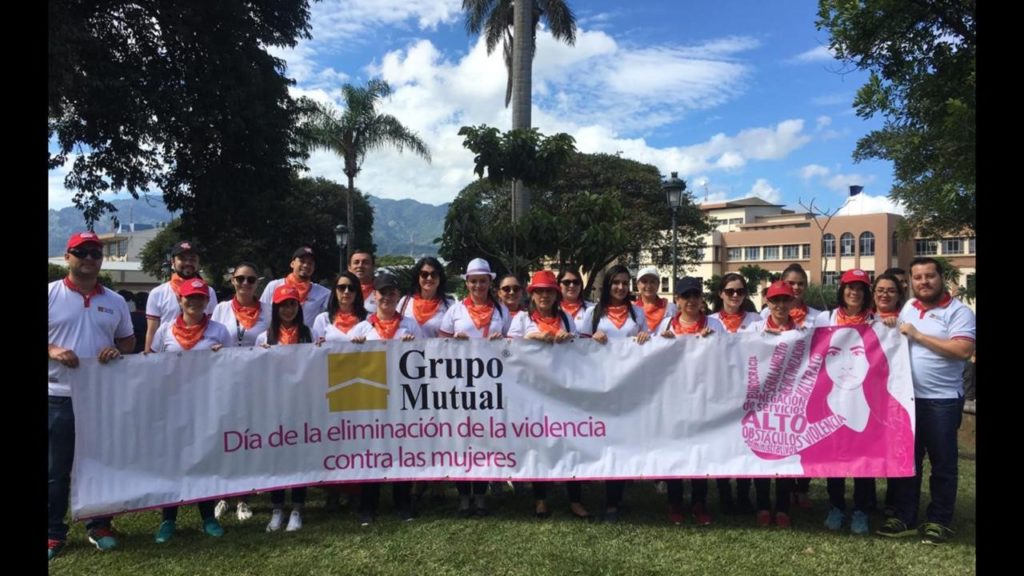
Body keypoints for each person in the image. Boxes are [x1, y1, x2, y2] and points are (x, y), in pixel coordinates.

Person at [48, 232, 136, 561]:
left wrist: (115, 350)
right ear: (67, 256)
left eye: (95, 253)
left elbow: (127, 341)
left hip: (100, 398)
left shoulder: (114, 301)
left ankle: (99, 525)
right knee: (56, 470)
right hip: (58, 395)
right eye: (81, 252)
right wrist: (52, 349)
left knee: (99, 466)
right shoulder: (51, 294)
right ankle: (53, 532)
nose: (89, 258)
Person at [878, 257, 976, 545]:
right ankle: (905, 516)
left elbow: (962, 350)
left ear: (941, 277)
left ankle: (939, 520)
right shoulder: (909, 306)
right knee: (909, 461)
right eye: (918, 277)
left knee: (943, 463)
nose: (924, 282)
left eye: (929, 276)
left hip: (942, 401)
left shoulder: (959, 312)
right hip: (908, 400)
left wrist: (918, 335)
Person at [149, 278, 233, 543]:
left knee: (203, 460)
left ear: (207, 301)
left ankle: (208, 516)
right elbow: (151, 365)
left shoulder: (219, 331)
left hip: (206, 405)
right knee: (172, 463)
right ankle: (168, 519)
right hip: (172, 406)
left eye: (200, 297)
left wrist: (222, 356)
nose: (195, 302)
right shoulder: (165, 330)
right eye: (189, 297)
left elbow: (234, 366)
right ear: (180, 300)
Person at [507, 270, 590, 520]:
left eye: (549, 292)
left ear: (556, 295)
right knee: (539, 445)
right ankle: (540, 499)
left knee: (570, 443)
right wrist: (531, 337)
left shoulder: (566, 318)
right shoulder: (522, 320)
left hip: (563, 391)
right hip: (532, 391)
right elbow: (508, 351)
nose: (544, 296)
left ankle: (575, 499)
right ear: (532, 295)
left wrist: (568, 338)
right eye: (539, 291)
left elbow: (579, 350)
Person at [579, 264, 650, 522]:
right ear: (607, 285)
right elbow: (576, 348)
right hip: (601, 386)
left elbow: (648, 343)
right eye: (615, 283)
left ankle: (614, 500)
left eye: (624, 283)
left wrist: (645, 337)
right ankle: (606, 496)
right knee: (605, 440)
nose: (620, 287)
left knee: (622, 442)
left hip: (628, 387)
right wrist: (590, 338)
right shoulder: (592, 313)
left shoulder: (637, 313)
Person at [348, 274, 420, 525]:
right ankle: (368, 504)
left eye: (392, 292)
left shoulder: (410, 325)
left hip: (402, 396)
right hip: (372, 396)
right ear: (374, 296)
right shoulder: (362, 328)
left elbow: (425, 356)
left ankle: (402, 503)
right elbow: (346, 360)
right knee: (372, 449)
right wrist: (355, 346)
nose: (387, 297)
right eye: (382, 292)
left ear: (398, 296)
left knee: (402, 448)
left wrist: (414, 345)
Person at [439, 258, 508, 516]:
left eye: (483, 281)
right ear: (467, 283)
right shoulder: (455, 311)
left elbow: (514, 345)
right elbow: (440, 347)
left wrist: (502, 341)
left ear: (490, 282)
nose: (478, 285)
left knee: (483, 438)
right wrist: (454, 342)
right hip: (461, 384)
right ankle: (463, 496)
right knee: (461, 439)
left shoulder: (501, 311)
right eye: (474, 281)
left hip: (491, 385)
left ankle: (480, 495)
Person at [657, 277, 720, 526]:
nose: (691, 300)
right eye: (686, 296)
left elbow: (727, 354)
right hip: (673, 398)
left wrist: (713, 340)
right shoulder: (665, 325)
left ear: (702, 298)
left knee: (700, 451)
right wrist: (658, 342)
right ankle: (674, 502)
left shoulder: (714, 324)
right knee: (675, 452)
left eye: (695, 295)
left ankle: (699, 502)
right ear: (677, 300)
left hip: (704, 398)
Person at [210, 261, 270, 522]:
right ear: (232, 281)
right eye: (240, 279)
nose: (245, 283)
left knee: (247, 438)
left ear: (258, 283)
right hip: (225, 380)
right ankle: (224, 494)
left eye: (251, 279)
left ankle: (244, 497)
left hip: (255, 382)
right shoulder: (221, 309)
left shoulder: (268, 311)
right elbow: (211, 335)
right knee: (225, 436)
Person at [255, 285, 314, 532]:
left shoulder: (307, 334)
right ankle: (277, 508)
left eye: (292, 304)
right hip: (274, 405)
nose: (288, 310)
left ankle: (297, 509)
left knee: (299, 456)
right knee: (276, 456)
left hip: (300, 404)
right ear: (275, 308)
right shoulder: (264, 337)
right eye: (283, 305)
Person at [761, 263, 820, 508]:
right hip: (767, 395)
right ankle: (765, 503)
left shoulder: (817, 318)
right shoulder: (760, 322)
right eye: (790, 283)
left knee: (798, 441)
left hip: (800, 391)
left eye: (800, 284)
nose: (795, 288)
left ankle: (798, 491)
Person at [749, 280, 806, 528]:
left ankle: (782, 507)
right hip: (760, 401)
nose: (780, 305)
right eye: (775, 300)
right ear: (767, 302)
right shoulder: (754, 328)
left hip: (789, 403)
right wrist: (761, 339)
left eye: (785, 299)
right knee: (761, 453)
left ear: (792, 301)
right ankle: (763, 506)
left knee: (786, 455)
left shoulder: (803, 331)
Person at [708, 273, 761, 515]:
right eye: (730, 291)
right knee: (722, 443)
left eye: (740, 291)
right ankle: (724, 493)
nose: (735, 295)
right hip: (718, 390)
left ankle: (743, 492)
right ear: (721, 293)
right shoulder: (710, 321)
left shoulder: (756, 320)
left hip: (748, 390)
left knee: (744, 443)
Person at [145, 240, 217, 352]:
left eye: (192, 259)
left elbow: (213, 326)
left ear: (198, 263)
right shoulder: (157, 293)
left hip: (201, 353)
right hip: (169, 354)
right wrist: (148, 357)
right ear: (173, 262)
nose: (188, 263)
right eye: (182, 258)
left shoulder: (209, 292)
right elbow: (151, 331)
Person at [261, 246, 330, 330]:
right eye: (302, 261)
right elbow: (262, 314)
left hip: (306, 337)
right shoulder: (274, 286)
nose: (306, 265)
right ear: (292, 264)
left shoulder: (324, 294)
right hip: (276, 336)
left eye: (310, 263)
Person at [397, 257, 454, 338]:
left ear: (440, 278)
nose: (429, 278)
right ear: (418, 277)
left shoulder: (450, 306)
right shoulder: (405, 302)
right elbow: (394, 328)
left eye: (434, 274)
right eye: (424, 274)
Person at [312, 271, 368, 344]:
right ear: (335, 291)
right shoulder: (322, 319)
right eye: (342, 287)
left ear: (357, 292)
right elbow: (315, 347)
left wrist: (365, 342)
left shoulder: (368, 318)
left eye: (351, 288)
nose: (346, 291)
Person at [636, 266, 676, 336]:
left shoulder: (670, 308)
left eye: (652, 282)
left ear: (658, 285)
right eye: (644, 282)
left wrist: (672, 333)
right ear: (638, 285)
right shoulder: (632, 309)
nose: (649, 286)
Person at [349, 249, 377, 313]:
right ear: (349, 267)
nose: (360, 266)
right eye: (356, 262)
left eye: (365, 262)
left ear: (373, 267)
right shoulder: (341, 291)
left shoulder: (382, 291)